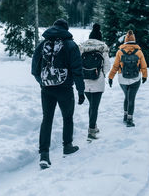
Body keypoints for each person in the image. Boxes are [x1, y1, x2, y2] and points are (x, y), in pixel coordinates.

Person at [31, 19, 85, 169]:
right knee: (67, 117)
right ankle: (67, 146)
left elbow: (34, 69)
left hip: (46, 90)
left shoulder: (42, 44)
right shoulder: (71, 45)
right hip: (65, 89)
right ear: (66, 29)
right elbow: (77, 70)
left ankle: (44, 155)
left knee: (47, 119)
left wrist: (43, 83)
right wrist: (81, 90)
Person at [108, 30, 147, 127]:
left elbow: (115, 66)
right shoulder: (139, 52)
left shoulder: (120, 52)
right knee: (131, 98)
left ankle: (125, 116)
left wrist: (110, 77)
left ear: (125, 40)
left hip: (122, 79)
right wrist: (145, 76)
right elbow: (144, 66)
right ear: (134, 40)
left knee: (127, 97)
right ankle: (129, 119)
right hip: (135, 79)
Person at [79, 23, 111, 140]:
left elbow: (78, 64)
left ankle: (93, 126)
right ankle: (91, 131)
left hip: (85, 82)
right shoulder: (103, 48)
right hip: (98, 82)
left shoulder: (82, 47)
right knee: (94, 106)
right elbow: (107, 65)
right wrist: (101, 74)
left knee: (92, 106)